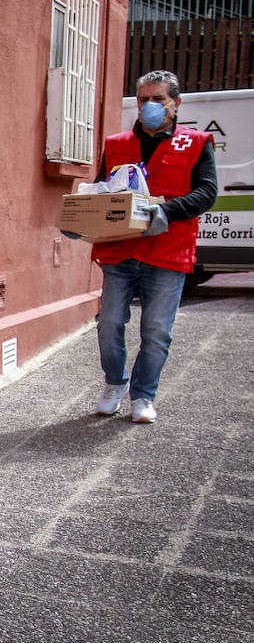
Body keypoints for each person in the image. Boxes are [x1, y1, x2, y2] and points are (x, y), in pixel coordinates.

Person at [70, 69, 217, 424]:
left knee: (156, 330)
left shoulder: (196, 142)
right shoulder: (117, 144)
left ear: (176, 104)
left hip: (168, 250)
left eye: (158, 99)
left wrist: (165, 209)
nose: (149, 106)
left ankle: (143, 396)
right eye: (143, 100)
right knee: (109, 322)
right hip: (120, 250)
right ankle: (114, 384)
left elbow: (207, 192)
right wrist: (81, 217)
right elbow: (102, 189)